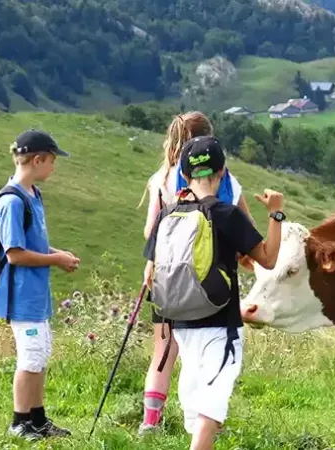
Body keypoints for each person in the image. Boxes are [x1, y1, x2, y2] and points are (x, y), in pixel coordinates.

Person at [142, 136, 284, 449]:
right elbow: (269, 258)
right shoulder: (226, 214)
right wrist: (276, 213)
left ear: (185, 174)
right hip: (220, 323)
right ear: (221, 173)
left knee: (197, 407)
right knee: (212, 405)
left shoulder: (168, 216)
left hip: (181, 326)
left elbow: (151, 275)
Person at [138, 112, 254, 436]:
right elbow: (244, 225)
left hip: (168, 277)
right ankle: (207, 418)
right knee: (211, 351)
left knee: (164, 353)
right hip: (213, 282)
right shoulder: (226, 180)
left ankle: (151, 422)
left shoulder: (162, 177)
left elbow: (151, 229)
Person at [0, 129, 81, 440]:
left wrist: (58, 253)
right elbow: (15, 254)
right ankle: (19, 422)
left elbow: (35, 243)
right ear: (38, 159)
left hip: (37, 295)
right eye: (52, 161)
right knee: (30, 357)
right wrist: (56, 261)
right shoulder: (11, 202)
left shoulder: (33, 195)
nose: (54, 167)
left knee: (41, 354)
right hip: (21, 296)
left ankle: (38, 418)